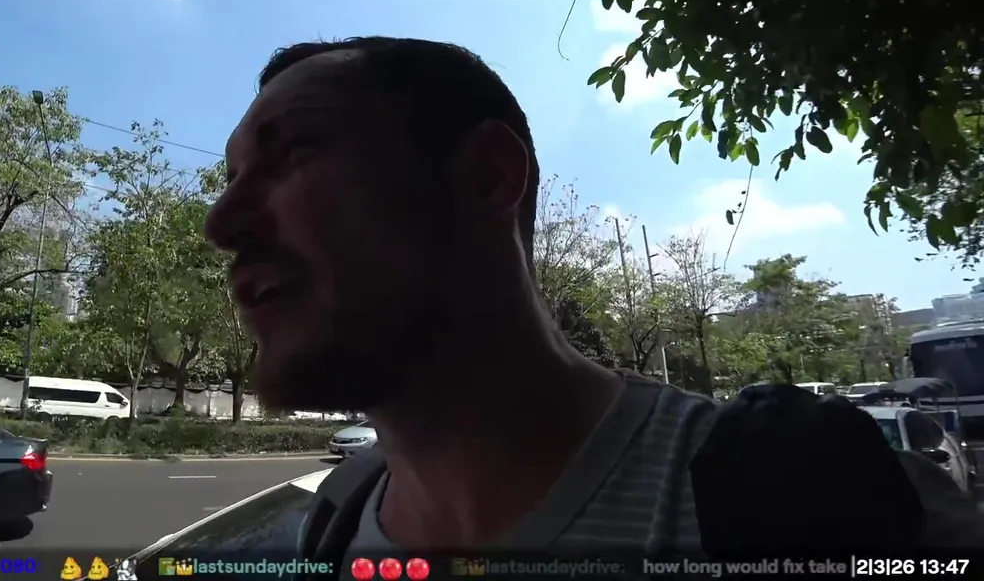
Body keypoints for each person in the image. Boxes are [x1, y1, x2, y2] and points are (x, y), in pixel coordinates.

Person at [203, 37, 982, 574]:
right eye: (230, 179)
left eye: (295, 150)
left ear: (487, 178)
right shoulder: (335, 521)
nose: (220, 224)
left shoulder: (810, 497)